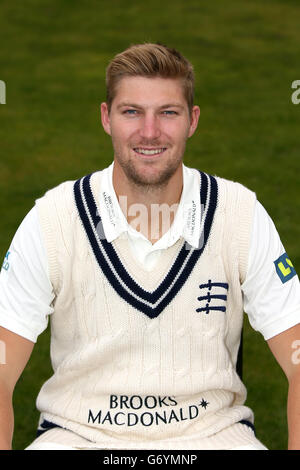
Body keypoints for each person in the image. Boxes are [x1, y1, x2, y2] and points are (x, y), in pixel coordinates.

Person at [0, 43, 300, 451]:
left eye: (168, 112)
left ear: (192, 120)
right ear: (107, 118)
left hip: (212, 435)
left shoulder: (239, 213)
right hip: (78, 435)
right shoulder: (53, 219)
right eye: (132, 112)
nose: (150, 131)